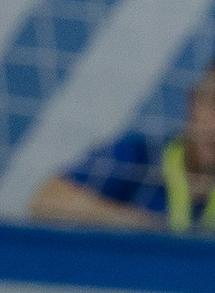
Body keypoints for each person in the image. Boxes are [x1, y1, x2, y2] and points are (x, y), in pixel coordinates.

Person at [30, 63, 215, 234]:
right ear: (192, 102)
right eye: (213, 103)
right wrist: (140, 224)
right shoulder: (138, 154)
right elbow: (47, 201)